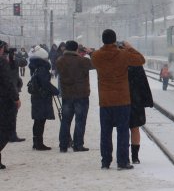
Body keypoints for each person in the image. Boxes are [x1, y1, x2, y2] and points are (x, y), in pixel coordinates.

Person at [91, 30, 145, 169]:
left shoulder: (96, 56)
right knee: (122, 132)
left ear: (102, 40)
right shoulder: (124, 54)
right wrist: (129, 47)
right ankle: (122, 162)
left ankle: (105, 161)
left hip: (105, 100)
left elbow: (95, 58)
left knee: (105, 132)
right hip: (122, 100)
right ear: (115, 40)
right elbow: (140, 59)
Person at [56, 40, 94, 153]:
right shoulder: (83, 61)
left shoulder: (60, 61)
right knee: (80, 121)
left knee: (65, 121)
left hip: (67, 95)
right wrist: (91, 52)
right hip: (81, 95)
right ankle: (78, 145)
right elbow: (96, 64)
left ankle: (63, 145)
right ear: (77, 49)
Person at [28, 45, 60, 150]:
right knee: (40, 120)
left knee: (38, 120)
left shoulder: (35, 66)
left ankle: (36, 141)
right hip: (42, 97)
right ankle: (39, 143)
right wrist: (55, 91)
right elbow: (45, 83)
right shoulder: (42, 67)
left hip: (37, 96)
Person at [0, 41, 22, 168]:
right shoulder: (1, 62)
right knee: (6, 129)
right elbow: (7, 81)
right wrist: (16, 98)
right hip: (4, 100)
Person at [128, 64, 153, 164]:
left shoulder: (117, 60)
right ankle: (135, 157)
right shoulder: (136, 63)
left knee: (123, 129)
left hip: (121, 99)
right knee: (135, 128)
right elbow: (143, 83)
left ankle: (124, 155)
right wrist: (146, 100)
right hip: (135, 100)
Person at [6, 46, 26, 142]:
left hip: (11, 90)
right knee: (12, 114)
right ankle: (12, 135)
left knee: (10, 114)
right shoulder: (8, 63)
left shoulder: (9, 62)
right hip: (12, 91)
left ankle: (10, 134)